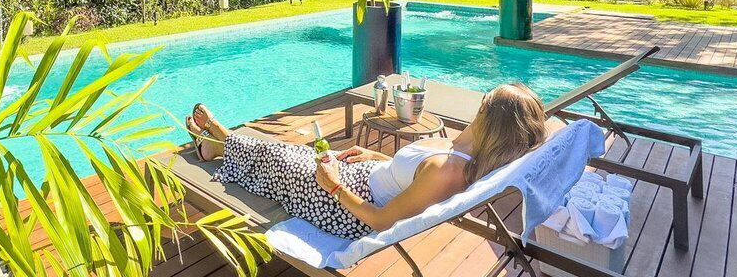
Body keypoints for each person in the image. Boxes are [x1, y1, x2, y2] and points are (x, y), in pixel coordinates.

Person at [186, 83, 548, 240]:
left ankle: (219, 141)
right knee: (292, 152)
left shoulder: (448, 170)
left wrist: (334, 186)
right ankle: (218, 145)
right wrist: (376, 156)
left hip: (348, 209)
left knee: (276, 156)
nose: (480, 102)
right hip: (364, 177)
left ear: (491, 117)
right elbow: (410, 176)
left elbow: (381, 221)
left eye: (486, 100)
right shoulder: (461, 149)